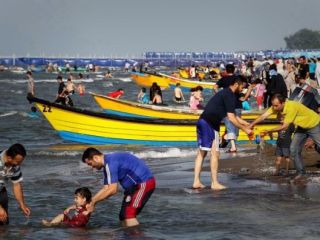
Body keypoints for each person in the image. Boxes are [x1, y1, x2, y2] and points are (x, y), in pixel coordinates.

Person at [193, 77, 252, 190]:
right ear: (236, 84)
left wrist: (247, 124)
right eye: (242, 87)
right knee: (215, 153)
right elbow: (231, 118)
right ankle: (214, 183)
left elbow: (233, 116)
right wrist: (245, 130)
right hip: (209, 124)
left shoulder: (225, 93)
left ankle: (196, 181)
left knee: (202, 153)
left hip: (203, 121)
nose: (243, 89)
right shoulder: (229, 95)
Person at [249, 94, 320, 181]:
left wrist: (269, 131)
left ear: (283, 103)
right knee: (293, 149)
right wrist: (251, 124)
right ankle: (301, 173)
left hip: (314, 124)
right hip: (302, 127)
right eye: (273, 105)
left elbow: (284, 127)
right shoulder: (276, 106)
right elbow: (263, 116)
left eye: (276, 105)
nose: (274, 108)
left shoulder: (291, 107)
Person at [82, 148, 156, 227]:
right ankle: (127, 236)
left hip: (143, 184)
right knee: (123, 216)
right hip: (132, 188)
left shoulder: (110, 163)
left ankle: (136, 236)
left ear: (96, 158)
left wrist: (93, 202)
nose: (92, 167)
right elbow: (106, 188)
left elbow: (113, 189)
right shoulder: (107, 164)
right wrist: (92, 202)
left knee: (129, 214)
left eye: (90, 164)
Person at [0, 143, 31, 224]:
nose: (19, 165)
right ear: (9, 158)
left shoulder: (15, 165)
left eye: (20, 162)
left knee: (4, 222)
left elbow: (16, 185)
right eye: (17, 162)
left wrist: (22, 205)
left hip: (1, 190)